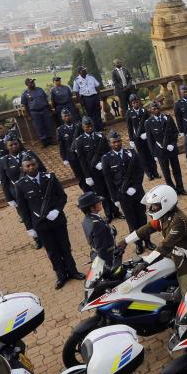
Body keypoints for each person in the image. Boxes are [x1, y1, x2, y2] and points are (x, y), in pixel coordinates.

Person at [117, 185, 187, 298]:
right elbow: (147, 228)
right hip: (171, 254)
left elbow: (165, 246)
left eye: (155, 206)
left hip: (186, 261)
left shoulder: (179, 221)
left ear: (165, 203)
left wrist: (145, 263)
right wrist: (125, 241)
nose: (152, 209)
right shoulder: (165, 216)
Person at [14, 157, 82, 290]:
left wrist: (57, 210)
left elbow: (62, 196)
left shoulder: (50, 177)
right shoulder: (20, 185)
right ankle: (61, 276)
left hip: (57, 219)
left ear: (37, 164)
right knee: (52, 251)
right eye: (27, 166)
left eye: (33, 165)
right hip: (40, 224)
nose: (31, 168)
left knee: (65, 247)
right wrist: (29, 227)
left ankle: (73, 271)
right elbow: (23, 209)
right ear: (23, 168)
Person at [101, 130, 149, 253]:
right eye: (114, 142)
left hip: (137, 192)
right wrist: (115, 199)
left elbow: (140, 170)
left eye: (118, 141)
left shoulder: (131, 153)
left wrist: (136, 187)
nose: (117, 144)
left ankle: (147, 241)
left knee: (142, 218)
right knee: (131, 221)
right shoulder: (106, 159)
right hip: (122, 196)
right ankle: (138, 243)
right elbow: (108, 181)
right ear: (110, 144)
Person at [73, 116, 121, 221]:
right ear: (83, 127)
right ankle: (108, 214)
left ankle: (116, 211)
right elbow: (82, 160)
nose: (90, 128)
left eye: (91, 126)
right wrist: (87, 176)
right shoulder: (79, 141)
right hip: (93, 171)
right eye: (87, 126)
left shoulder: (100, 136)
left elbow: (108, 152)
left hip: (104, 168)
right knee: (101, 192)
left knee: (110, 189)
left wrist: (105, 164)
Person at [145, 101, 187, 196]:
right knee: (166, 172)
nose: (156, 110)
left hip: (171, 148)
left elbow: (175, 132)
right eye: (154, 109)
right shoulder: (148, 123)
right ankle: (172, 190)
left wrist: (172, 144)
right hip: (160, 151)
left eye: (157, 108)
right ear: (151, 111)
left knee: (176, 169)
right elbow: (150, 140)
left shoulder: (168, 118)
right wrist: (154, 154)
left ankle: (180, 188)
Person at [78, 191, 124, 267]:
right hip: (108, 259)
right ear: (91, 207)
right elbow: (103, 250)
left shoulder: (87, 219)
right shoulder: (98, 225)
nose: (100, 203)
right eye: (98, 202)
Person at [126, 94, 159, 179]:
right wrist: (131, 140)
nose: (136, 103)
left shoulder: (144, 111)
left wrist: (147, 133)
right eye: (134, 102)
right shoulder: (129, 113)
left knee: (151, 154)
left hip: (146, 136)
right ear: (131, 104)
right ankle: (149, 174)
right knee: (142, 156)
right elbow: (129, 127)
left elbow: (149, 123)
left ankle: (155, 172)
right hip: (137, 138)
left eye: (137, 102)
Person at [56, 108, 86, 189]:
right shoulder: (60, 130)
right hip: (72, 157)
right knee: (79, 175)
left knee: (87, 172)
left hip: (82, 154)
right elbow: (61, 145)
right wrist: (64, 158)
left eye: (68, 115)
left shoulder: (78, 126)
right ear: (62, 118)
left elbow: (84, 139)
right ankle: (86, 191)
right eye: (65, 116)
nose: (67, 117)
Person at [20, 77, 53, 147]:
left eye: (33, 82)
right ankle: (44, 142)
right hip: (34, 113)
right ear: (27, 84)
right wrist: (28, 115)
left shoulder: (40, 89)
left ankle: (50, 140)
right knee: (39, 127)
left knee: (48, 125)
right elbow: (25, 106)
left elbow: (46, 100)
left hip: (44, 110)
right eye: (31, 83)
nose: (33, 83)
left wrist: (50, 110)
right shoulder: (25, 94)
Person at [72, 65, 103, 130]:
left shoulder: (91, 77)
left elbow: (97, 86)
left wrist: (98, 96)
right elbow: (76, 92)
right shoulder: (77, 80)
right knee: (90, 114)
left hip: (94, 96)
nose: (85, 70)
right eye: (84, 70)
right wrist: (81, 101)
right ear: (80, 72)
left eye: (85, 69)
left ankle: (101, 127)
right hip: (86, 98)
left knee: (98, 112)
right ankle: (94, 128)